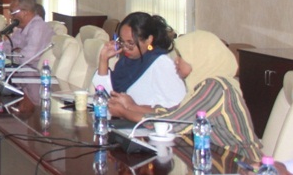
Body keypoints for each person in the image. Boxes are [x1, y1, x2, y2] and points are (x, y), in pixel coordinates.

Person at [109, 30, 262, 162]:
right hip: (215, 158)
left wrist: (124, 112)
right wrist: (132, 106)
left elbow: (174, 123)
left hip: (240, 163)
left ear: (198, 58)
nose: (176, 61)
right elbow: (173, 112)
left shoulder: (216, 87)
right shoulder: (202, 85)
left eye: (181, 56)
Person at [94, 12, 186, 114]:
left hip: (149, 123)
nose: (125, 48)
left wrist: (133, 107)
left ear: (149, 40)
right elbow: (105, 97)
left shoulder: (161, 63)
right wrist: (103, 59)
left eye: (131, 43)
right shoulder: (126, 62)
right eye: (122, 42)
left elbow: (179, 108)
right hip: (123, 121)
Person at [0, 0, 52, 67]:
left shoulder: (38, 27)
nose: (11, 16)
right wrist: (15, 51)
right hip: (20, 68)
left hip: (33, 71)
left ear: (25, 12)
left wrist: (11, 51)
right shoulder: (21, 27)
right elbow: (8, 46)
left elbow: (26, 59)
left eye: (13, 12)